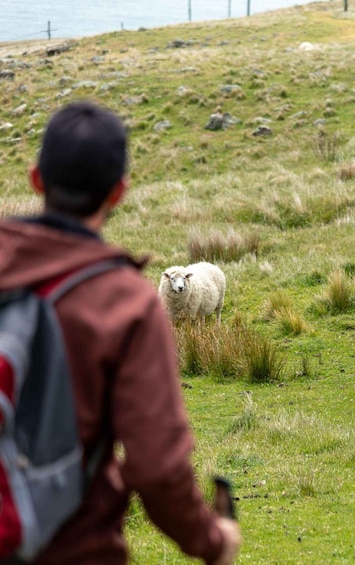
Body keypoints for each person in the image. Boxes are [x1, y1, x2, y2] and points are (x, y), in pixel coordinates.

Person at [0, 100, 241, 564]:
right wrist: (214, 540)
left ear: (36, 179)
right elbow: (157, 469)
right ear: (119, 191)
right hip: (69, 547)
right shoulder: (124, 305)